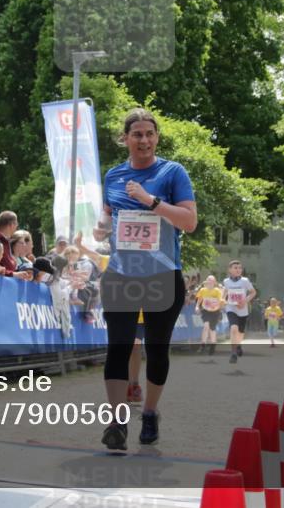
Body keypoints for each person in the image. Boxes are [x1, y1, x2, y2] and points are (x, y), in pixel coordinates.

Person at [93, 108, 197, 450]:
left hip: (162, 275)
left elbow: (189, 222)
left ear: (157, 137)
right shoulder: (113, 176)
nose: (144, 140)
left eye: (149, 134)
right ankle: (117, 421)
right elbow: (108, 215)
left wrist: (150, 201)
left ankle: (150, 412)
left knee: (156, 348)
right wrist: (101, 228)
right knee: (118, 347)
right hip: (122, 274)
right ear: (125, 139)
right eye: (137, 134)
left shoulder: (172, 172)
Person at [222, 260, 256, 364]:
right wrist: (222, 300)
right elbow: (224, 294)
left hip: (242, 310)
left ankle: (238, 345)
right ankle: (233, 353)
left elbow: (253, 292)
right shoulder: (226, 281)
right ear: (230, 270)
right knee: (233, 328)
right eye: (235, 268)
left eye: (240, 268)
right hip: (231, 308)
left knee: (240, 333)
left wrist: (244, 301)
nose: (238, 270)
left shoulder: (245, 281)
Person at [195, 275, 224, 355]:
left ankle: (212, 346)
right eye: (208, 280)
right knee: (206, 326)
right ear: (206, 281)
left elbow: (220, 301)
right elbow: (199, 299)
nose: (210, 282)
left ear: (214, 282)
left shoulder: (217, 291)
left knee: (212, 329)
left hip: (215, 312)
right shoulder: (203, 290)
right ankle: (203, 345)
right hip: (206, 310)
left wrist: (219, 304)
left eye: (211, 281)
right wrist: (197, 306)